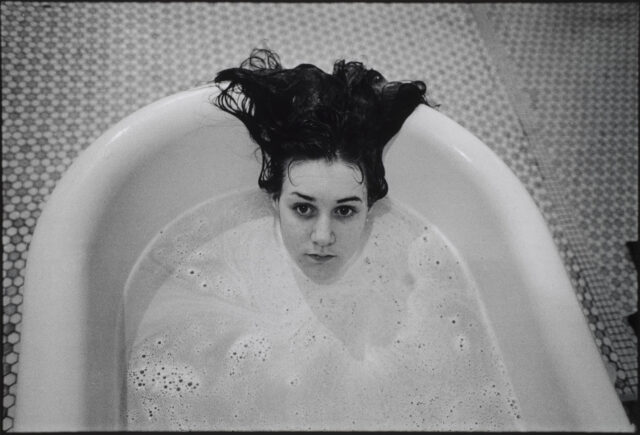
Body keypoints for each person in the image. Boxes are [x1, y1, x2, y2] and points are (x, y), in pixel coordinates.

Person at [212, 48, 434, 283]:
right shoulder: (225, 263)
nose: (323, 237)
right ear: (275, 199)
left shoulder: (411, 276)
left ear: (369, 207)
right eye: (303, 208)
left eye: (345, 210)